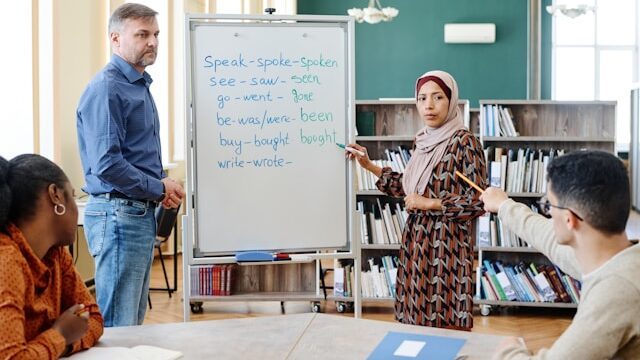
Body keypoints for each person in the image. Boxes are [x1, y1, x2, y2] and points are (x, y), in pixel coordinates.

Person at [347, 70, 487, 330]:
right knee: (413, 324)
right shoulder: (422, 141)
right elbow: (409, 187)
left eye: (437, 97)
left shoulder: (465, 142)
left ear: (451, 100)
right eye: (422, 98)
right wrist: (369, 166)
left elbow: (479, 201)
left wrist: (430, 203)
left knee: (444, 324)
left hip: (448, 249)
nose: (429, 106)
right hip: (416, 244)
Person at [76, 3, 184, 327]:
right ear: (115, 39)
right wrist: (157, 187)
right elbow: (107, 164)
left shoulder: (138, 85)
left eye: (155, 35)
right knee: (119, 326)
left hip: (135, 212)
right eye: (142, 34)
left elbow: (134, 155)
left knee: (131, 323)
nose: (152, 42)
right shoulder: (108, 87)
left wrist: (157, 190)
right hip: (119, 215)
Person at [480, 150, 640, 359]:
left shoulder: (616, 290)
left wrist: (508, 350)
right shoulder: (617, 257)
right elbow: (547, 236)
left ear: (569, 219)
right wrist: (504, 206)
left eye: (549, 205)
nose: (548, 212)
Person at [0, 154, 104, 358]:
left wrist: (60, 345)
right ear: (55, 195)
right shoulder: (6, 259)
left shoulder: (56, 254)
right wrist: (60, 335)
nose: (75, 207)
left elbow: (93, 319)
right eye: (72, 195)